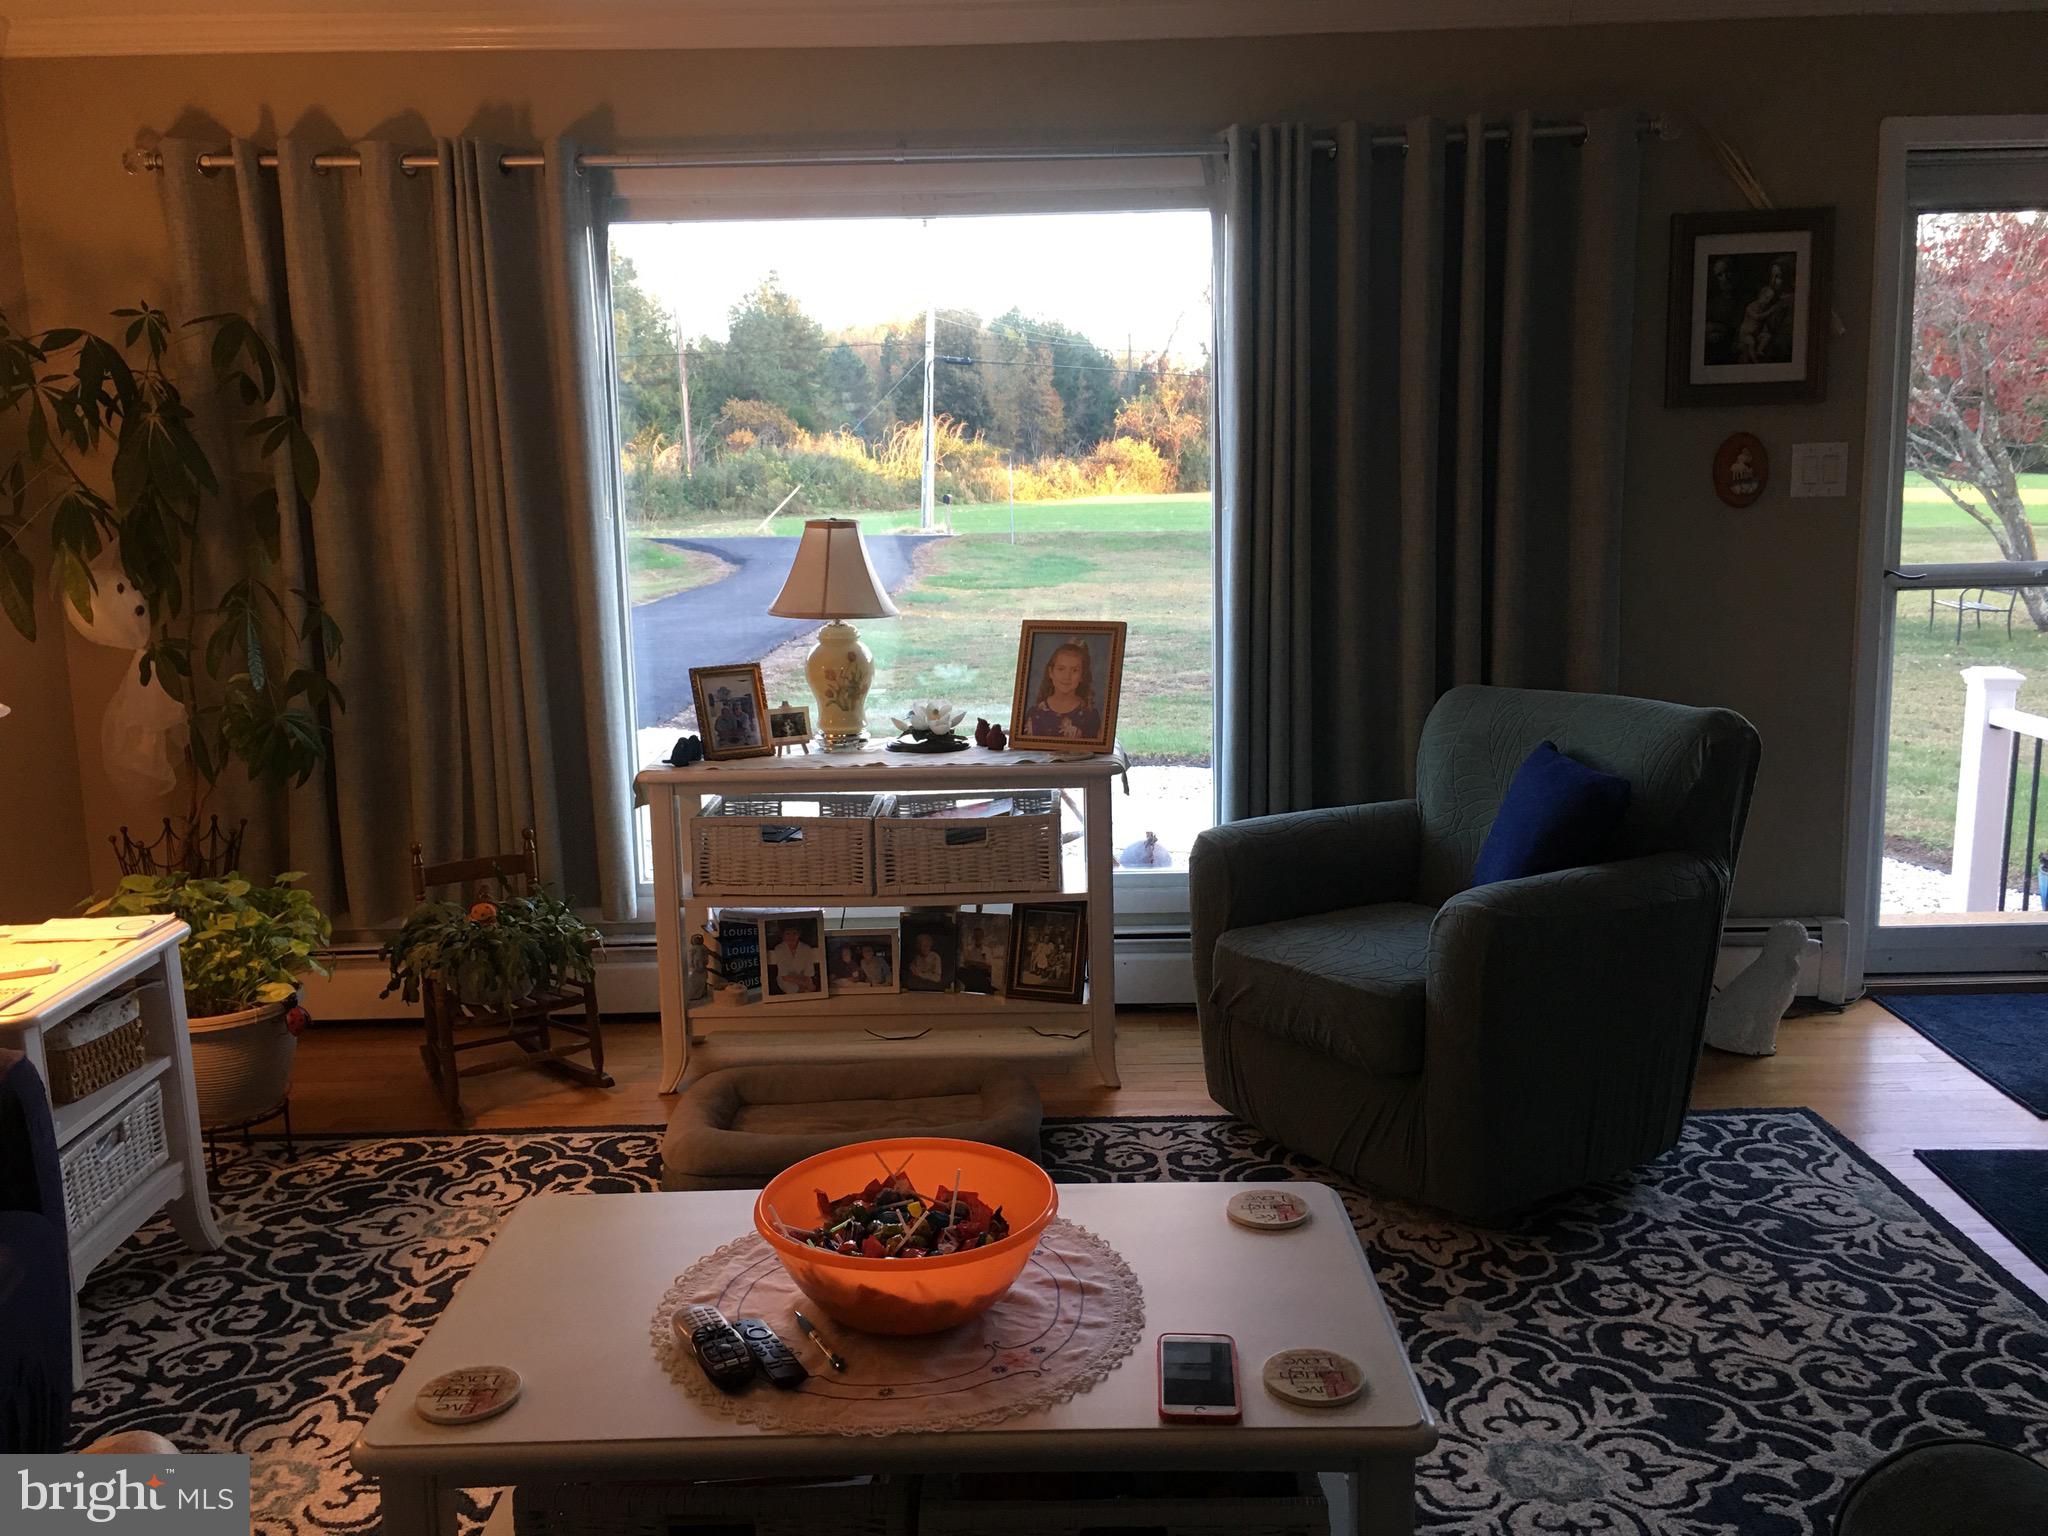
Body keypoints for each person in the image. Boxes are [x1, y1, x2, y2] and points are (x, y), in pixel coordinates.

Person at [1023, 640, 1103, 742]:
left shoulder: (1090, 716)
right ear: (1051, 672)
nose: (1067, 676)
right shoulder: (1035, 714)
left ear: (1082, 676)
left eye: (1074, 670)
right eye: (1061, 669)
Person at [766, 921, 821, 995]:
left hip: (803, 978)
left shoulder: (806, 948)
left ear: (799, 935)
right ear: (783, 936)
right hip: (786, 980)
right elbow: (784, 975)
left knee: (812, 989)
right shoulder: (779, 949)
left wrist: (806, 983)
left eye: (794, 933)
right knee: (794, 989)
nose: (791, 937)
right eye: (788, 934)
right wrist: (802, 985)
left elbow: (809, 971)